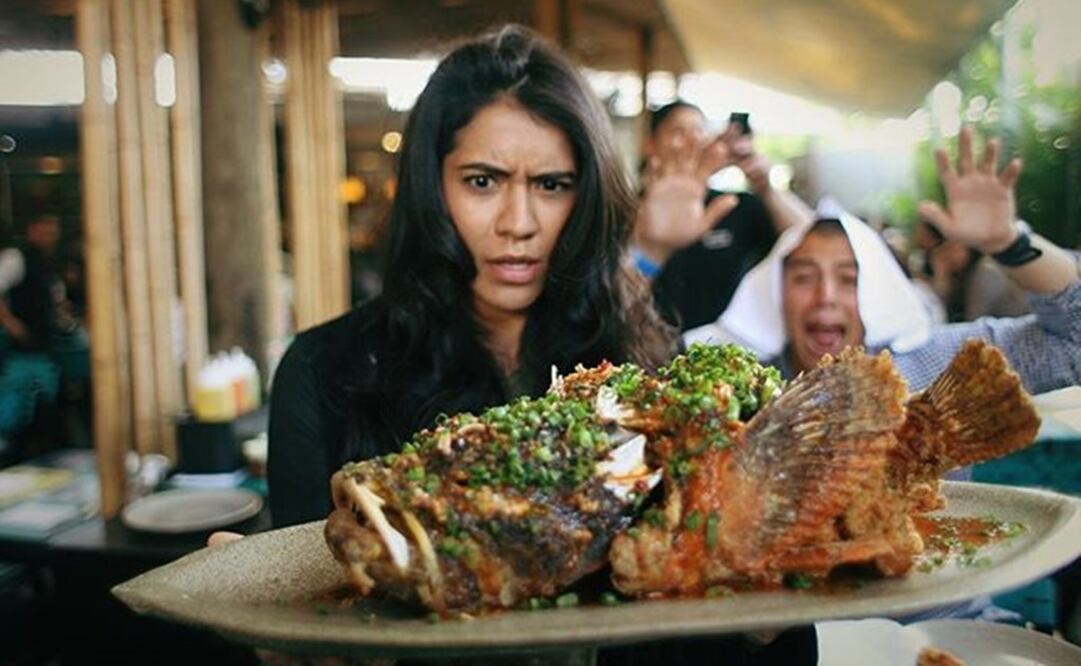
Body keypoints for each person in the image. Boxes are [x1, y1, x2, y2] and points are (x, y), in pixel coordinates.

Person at [264, 25, 814, 666]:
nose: (518, 224)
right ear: (430, 186)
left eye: (551, 185)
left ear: (586, 196)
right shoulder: (325, 373)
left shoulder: (642, 369)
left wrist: (763, 616)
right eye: (482, 181)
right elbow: (313, 606)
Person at [686, 126, 1081, 394]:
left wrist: (1009, 242)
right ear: (776, 290)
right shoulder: (734, 386)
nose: (826, 296)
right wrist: (654, 250)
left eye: (849, 278)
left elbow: (1073, 347)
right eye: (804, 278)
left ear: (876, 290)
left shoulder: (942, 366)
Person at [631, 100, 814, 330]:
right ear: (649, 144)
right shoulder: (622, 210)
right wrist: (650, 248)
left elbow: (814, 239)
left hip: (723, 348)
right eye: (679, 131)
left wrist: (766, 189)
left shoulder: (731, 206)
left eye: (699, 130)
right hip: (643, 344)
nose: (693, 140)